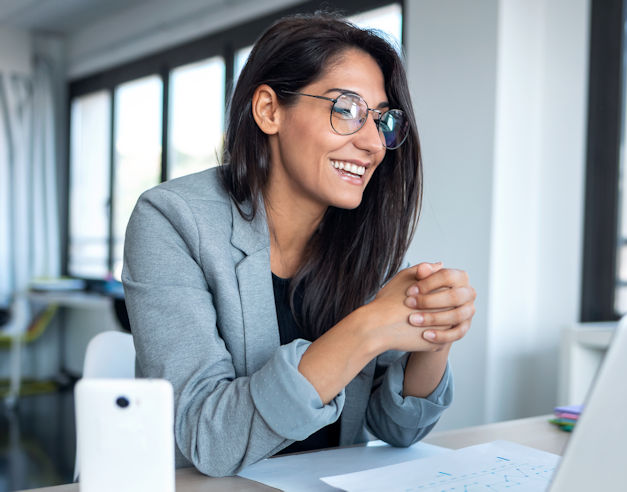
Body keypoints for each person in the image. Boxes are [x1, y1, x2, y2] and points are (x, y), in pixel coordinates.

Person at [122, 13, 476, 477]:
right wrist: (368, 328)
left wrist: (433, 330)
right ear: (269, 110)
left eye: (383, 119)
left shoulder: (363, 238)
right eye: (346, 108)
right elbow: (207, 439)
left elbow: (397, 428)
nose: (373, 143)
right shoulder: (171, 219)